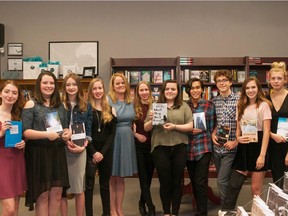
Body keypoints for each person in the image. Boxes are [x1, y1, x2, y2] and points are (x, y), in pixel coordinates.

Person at [22, 71, 71, 215]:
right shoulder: (31, 104)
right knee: (42, 195)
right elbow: (25, 132)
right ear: (39, 84)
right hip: (38, 154)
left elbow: (65, 127)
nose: (48, 86)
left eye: (51, 83)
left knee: (56, 194)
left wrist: (68, 133)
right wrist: (46, 135)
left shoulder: (61, 105)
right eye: (45, 82)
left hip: (57, 153)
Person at [220, 77, 272, 214]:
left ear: (258, 89)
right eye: (247, 88)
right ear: (244, 90)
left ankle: (257, 213)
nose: (250, 90)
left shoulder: (264, 105)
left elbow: (266, 131)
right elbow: (238, 128)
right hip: (243, 147)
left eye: (253, 87)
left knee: (256, 189)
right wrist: (238, 138)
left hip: (258, 146)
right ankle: (226, 212)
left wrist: (262, 155)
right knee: (234, 184)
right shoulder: (241, 105)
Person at [144, 79, 193, 216]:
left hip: (179, 147)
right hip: (160, 148)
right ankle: (166, 212)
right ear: (163, 91)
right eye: (167, 89)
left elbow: (190, 126)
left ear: (178, 91)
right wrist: (152, 120)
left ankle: (175, 212)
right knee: (165, 182)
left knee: (177, 182)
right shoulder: (155, 106)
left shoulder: (184, 106)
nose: (170, 91)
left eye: (173, 89)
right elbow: (146, 127)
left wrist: (175, 127)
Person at [60, 73, 93, 216]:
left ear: (79, 86)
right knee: (62, 189)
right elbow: (55, 127)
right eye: (68, 85)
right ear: (64, 87)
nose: (71, 87)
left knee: (79, 187)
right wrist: (65, 140)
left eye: (74, 84)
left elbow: (89, 130)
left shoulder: (87, 106)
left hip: (80, 149)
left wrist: (85, 144)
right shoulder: (59, 105)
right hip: (61, 148)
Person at [85, 78, 117, 216]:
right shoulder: (85, 109)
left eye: (100, 88)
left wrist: (102, 153)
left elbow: (111, 134)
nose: (98, 91)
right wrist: (94, 153)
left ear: (104, 90)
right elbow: (85, 133)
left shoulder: (111, 109)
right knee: (89, 185)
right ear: (91, 91)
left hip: (106, 151)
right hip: (89, 150)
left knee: (105, 184)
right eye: (95, 88)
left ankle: (106, 213)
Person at [108, 73, 138, 216]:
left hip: (127, 139)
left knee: (121, 178)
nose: (120, 85)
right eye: (117, 83)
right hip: (113, 138)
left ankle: (119, 209)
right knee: (111, 177)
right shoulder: (108, 101)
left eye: (122, 83)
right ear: (113, 86)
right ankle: (112, 209)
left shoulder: (130, 100)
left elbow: (134, 118)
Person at [185, 78, 216, 216]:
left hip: (204, 146)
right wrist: (188, 130)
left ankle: (202, 212)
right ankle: (199, 208)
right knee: (194, 180)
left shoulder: (210, 105)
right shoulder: (184, 106)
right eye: (192, 88)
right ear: (188, 91)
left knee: (200, 181)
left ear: (202, 89)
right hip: (189, 148)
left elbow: (214, 126)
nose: (195, 90)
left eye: (198, 87)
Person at [211, 70, 239, 206]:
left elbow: (244, 124)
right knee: (224, 181)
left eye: (224, 80)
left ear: (230, 82)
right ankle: (228, 207)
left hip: (231, 148)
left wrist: (235, 142)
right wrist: (213, 134)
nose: (221, 83)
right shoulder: (215, 100)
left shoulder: (239, 100)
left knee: (221, 181)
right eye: (219, 81)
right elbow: (218, 122)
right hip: (217, 148)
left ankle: (226, 208)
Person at [0, 80, 26, 216]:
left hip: (16, 159)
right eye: (7, 91)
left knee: (15, 205)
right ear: (0, 93)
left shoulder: (18, 115)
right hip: (2, 163)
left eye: (14, 93)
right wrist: (1, 133)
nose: (10, 95)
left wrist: (23, 143)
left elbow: (21, 136)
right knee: (9, 208)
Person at [133, 81, 156, 216]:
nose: (144, 93)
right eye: (141, 90)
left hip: (153, 146)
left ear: (150, 90)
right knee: (143, 177)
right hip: (139, 146)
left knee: (149, 177)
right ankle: (151, 206)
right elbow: (127, 126)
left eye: (146, 90)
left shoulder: (156, 106)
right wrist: (136, 135)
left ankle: (142, 202)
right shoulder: (134, 107)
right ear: (138, 92)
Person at [267, 62, 288, 188]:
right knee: (278, 182)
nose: (276, 81)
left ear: (285, 79)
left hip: (287, 145)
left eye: (279, 78)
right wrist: (271, 135)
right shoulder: (265, 97)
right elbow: (261, 124)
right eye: (273, 78)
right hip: (272, 145)